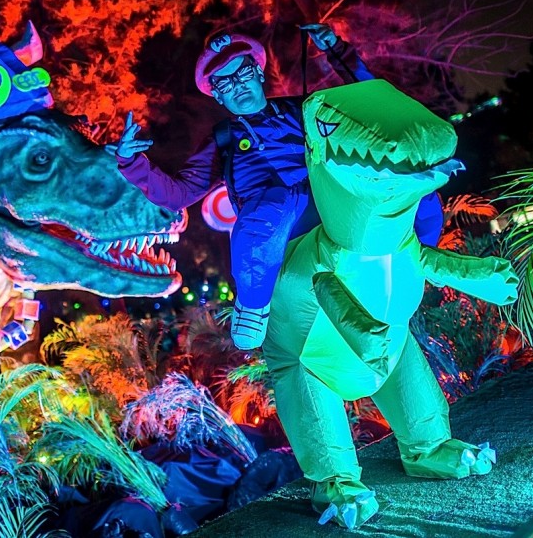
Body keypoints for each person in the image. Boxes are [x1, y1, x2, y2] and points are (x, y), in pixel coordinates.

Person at [111, 24, 443, 349]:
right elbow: (177, 194)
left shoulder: (304, 109)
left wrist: (336, 50)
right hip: (277, 229)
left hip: (329, 205)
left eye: (242, 72)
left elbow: (370, 102)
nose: (237, 85)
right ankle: (253, 305)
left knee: (412, 182)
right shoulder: (223, 140)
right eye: (224, 82)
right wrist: (131, 161)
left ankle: (419, 257)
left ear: (258, 73)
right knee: (274, 203)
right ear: (218, 96)